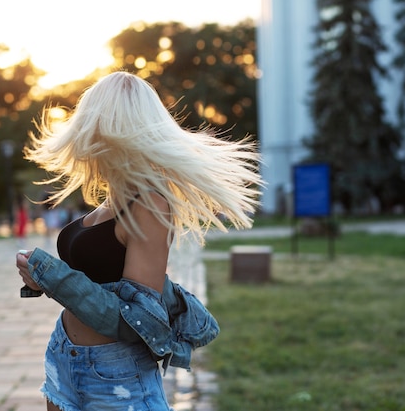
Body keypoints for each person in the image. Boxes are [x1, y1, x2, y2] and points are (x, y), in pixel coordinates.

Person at [15, 71, 263, 411]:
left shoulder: (149, 204)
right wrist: (40, 278)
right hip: (64, 357)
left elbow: (140, 321)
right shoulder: (110, 202)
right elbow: (96, 279)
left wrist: (55, 278)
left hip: (114, 373)